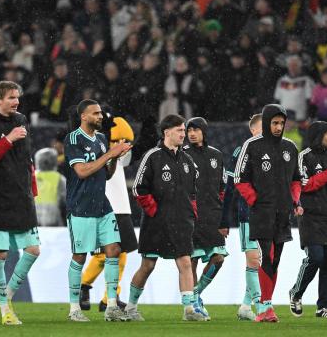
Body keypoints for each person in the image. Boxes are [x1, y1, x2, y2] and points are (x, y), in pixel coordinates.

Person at [127, 114, 206, 322]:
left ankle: (189, 310)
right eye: (180, 130)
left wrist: (191, 212)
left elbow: (193, 193)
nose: (184, 134)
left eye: (184, 130)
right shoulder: (152, 156)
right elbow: (138, 189)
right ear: (166, 132)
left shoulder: (188, 160)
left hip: (181, 222)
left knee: (185, 263)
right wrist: (155, 212)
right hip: (156, 223)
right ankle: (131, 307)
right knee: (148, 265)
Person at [0, 81, 40, 325]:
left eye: (17, 97)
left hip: (21, 195)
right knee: (0, 254)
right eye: (11, 97)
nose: (16, 102)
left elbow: (27, 158)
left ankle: (7, 295)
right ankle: (5, 310)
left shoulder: (21, 119)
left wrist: (32, 186)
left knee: (34, 250)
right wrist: (8, 139)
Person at [64, 99, 132, 322]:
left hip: (102, 205)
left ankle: (111, 305)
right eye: (95, 113)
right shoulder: (73, 138)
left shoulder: (102, 139)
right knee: (80, 256)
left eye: (101, 113)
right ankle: (74, 308)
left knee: (114, 249)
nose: (100, 116)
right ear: (84, 116)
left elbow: (107, 174)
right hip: (81, 206)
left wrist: (114, 159)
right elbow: (82, 171)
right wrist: (109, 155)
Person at [234, 104, 302, 322]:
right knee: (267, 256)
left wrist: (295, 199)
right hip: (262, 212)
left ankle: (266, 306)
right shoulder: (252, 145)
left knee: (276, 260)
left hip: (283, 213)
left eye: (281, 123)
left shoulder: (290, 147)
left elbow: (296, 179)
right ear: (266, 122)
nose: (278, 127)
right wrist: (256, 200)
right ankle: (265, 306)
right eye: (274, 122)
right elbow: (239, 178)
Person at [80, 115, 138, 312]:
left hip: (121, 205)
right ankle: (84, 286)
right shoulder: (92, 146)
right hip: (102, 205)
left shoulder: (116, 147)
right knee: (102, 256)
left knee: (121, 256)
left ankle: (108, 298)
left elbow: (128, 144)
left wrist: (119, 136)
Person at [289, 121, 327, 319]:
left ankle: (324, 307)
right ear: (318, 135)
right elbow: (306, 186)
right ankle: (296, 293)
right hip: (310, 216)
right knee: (316, 257)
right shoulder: (304, 157)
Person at [183, 117, 227, 320]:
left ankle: (196, 293)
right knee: (191, 260)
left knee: (218, 258)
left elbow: (223, 190)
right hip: (190, 217)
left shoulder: (216, 155)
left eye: (196, 130)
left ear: (204, 132)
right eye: (189, 130)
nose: (192, 133)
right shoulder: (182, 155)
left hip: (213, 216)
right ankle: (192, 305)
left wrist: (224, 219)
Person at [222, 114, 262, 320]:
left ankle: (246, 306)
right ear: (253, 130)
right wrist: (224, 219)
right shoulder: (241, 152)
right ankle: (261, 305)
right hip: (248, 214)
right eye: (263, 127)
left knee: (260, 263)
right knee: (254, 260)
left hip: (269, 215)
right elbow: (230, 187)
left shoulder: (274, 151)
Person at [34, 148, 66, 226]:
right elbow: (65, 201)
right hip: (53, 220)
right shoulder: (59, 178)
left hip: (34, 219)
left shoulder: (31, 177)